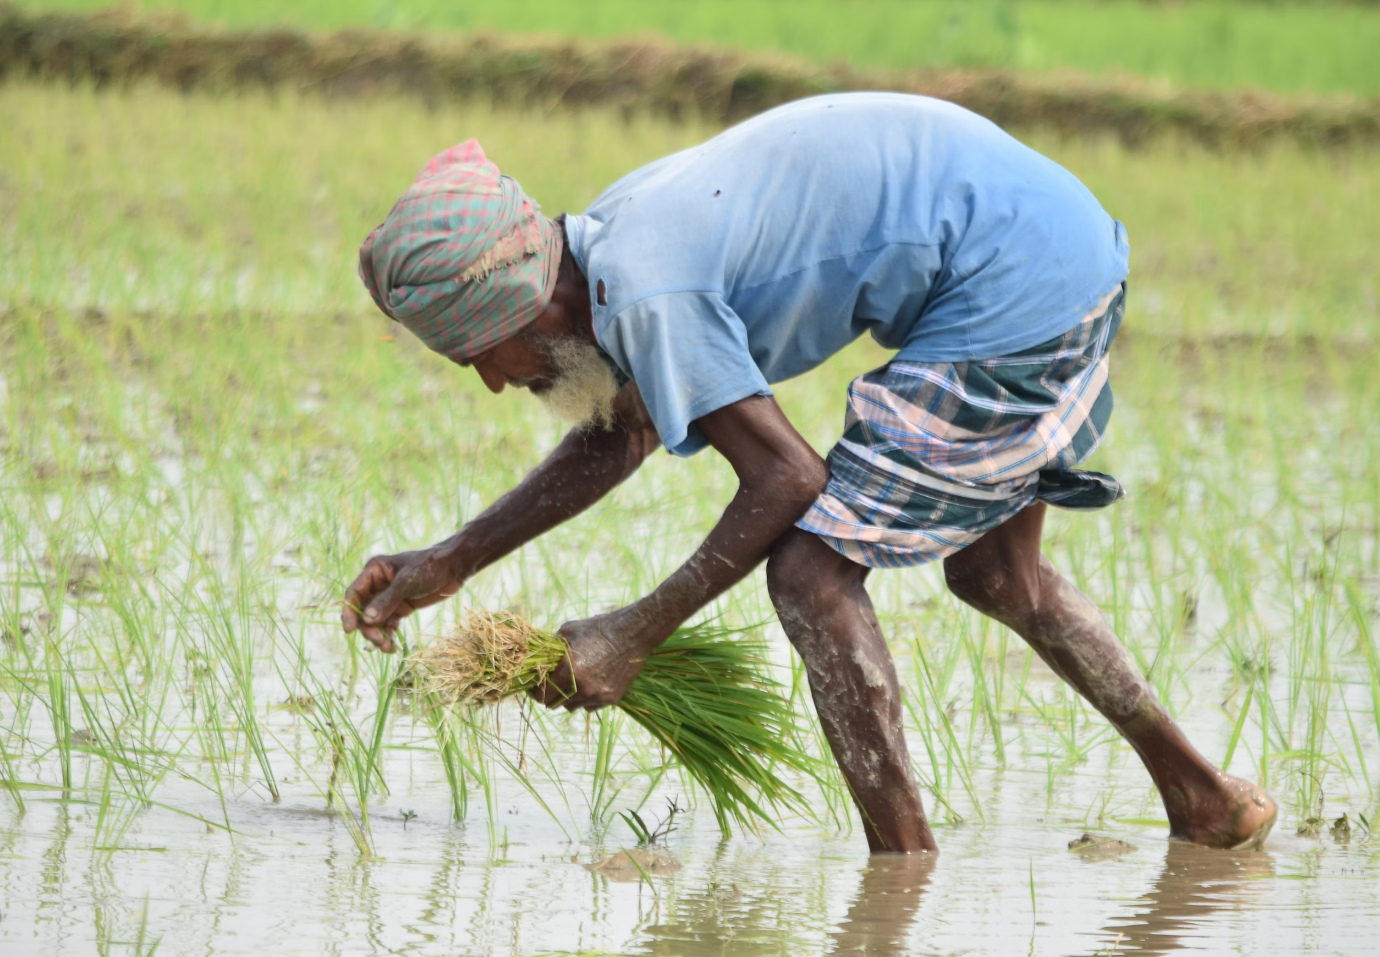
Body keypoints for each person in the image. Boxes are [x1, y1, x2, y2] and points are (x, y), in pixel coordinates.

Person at [341, 93, 1277, 854]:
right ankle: (1203, 797)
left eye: (485, 352)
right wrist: (450, 561)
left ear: (532, 302)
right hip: (1043, 245)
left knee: (810, 571)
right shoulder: (604, 249)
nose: (496, 382)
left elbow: (787, 477)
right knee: (1000, 577)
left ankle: (902, 866)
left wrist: (633, 632)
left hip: (1013, 279)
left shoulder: (650, 289)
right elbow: (619, 434)